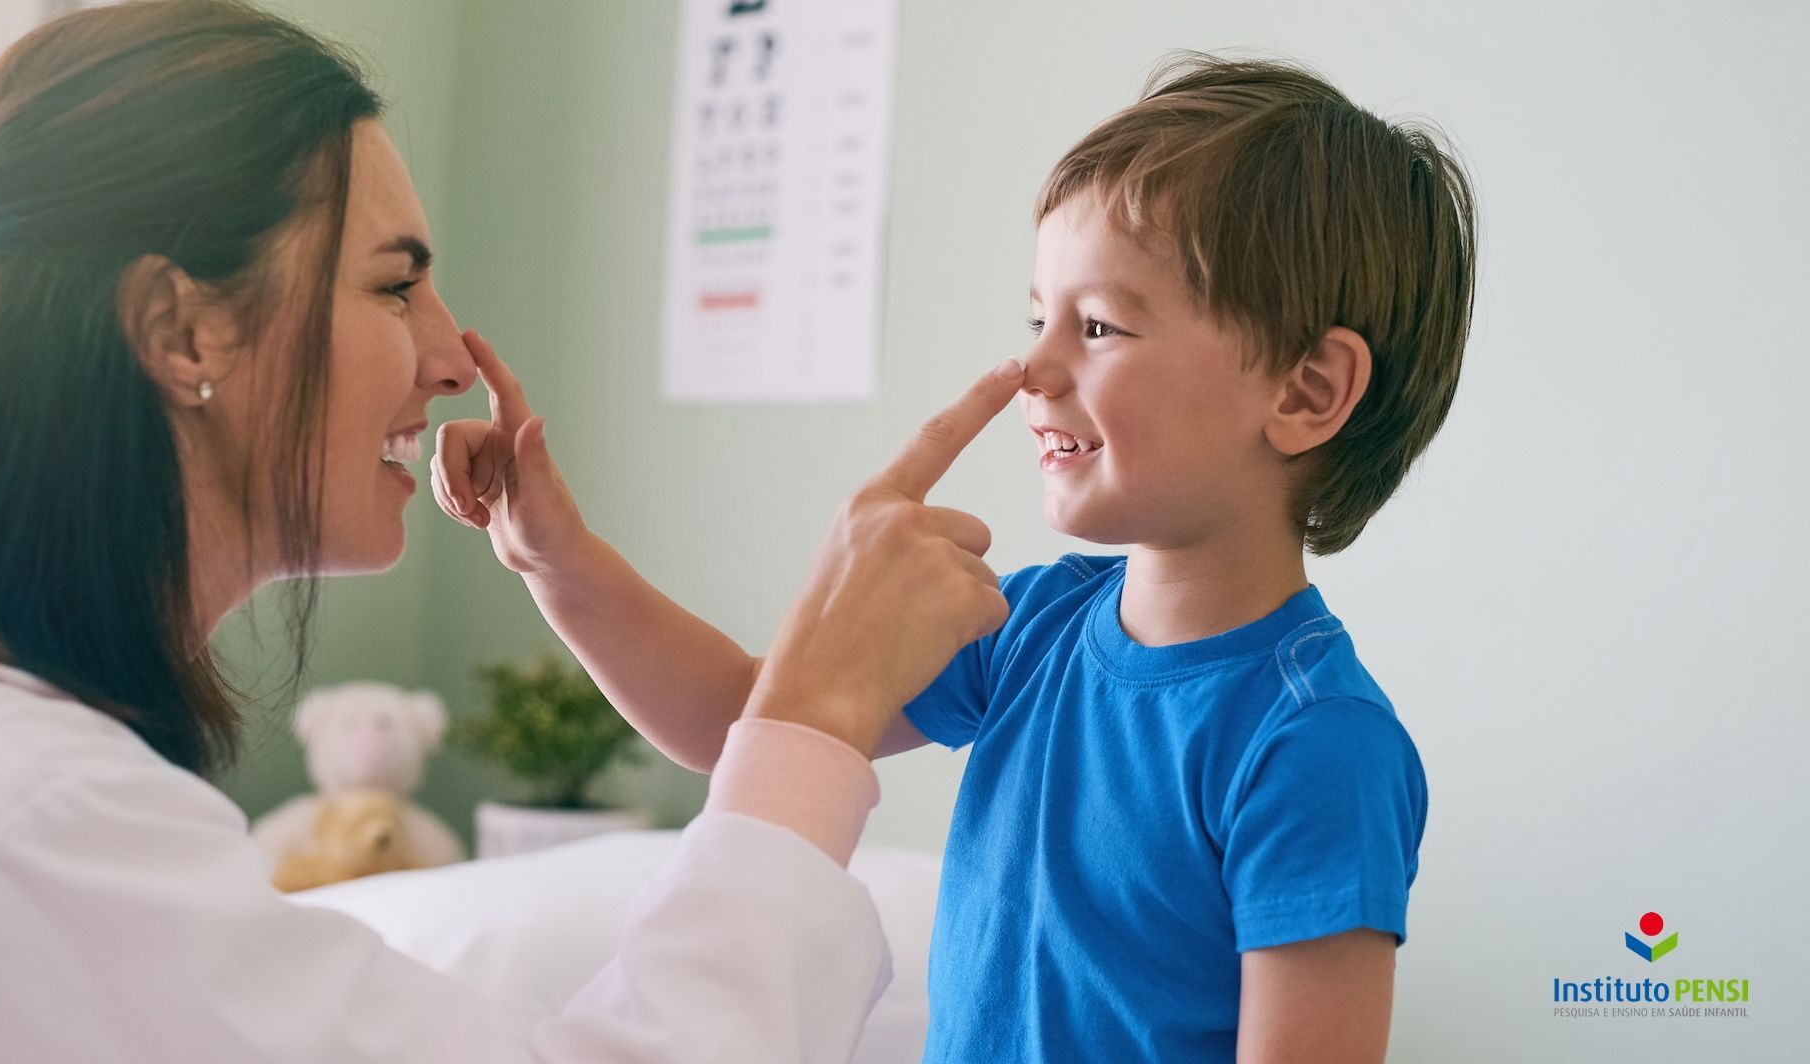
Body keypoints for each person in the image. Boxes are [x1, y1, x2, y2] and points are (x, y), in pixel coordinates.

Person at [0, 3, 1025, 1060]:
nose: (450, 360)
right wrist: (819, 718)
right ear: (182, 328)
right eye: (392, 287)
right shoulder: (15, 813)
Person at [434, 54, 1475, 1062]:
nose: (1033, 368)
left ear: (1304, 391)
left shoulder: (1315, 742)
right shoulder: (1025, 627)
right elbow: (743, 721)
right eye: (1036, 318)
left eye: (1100, 324)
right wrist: (555, 560)